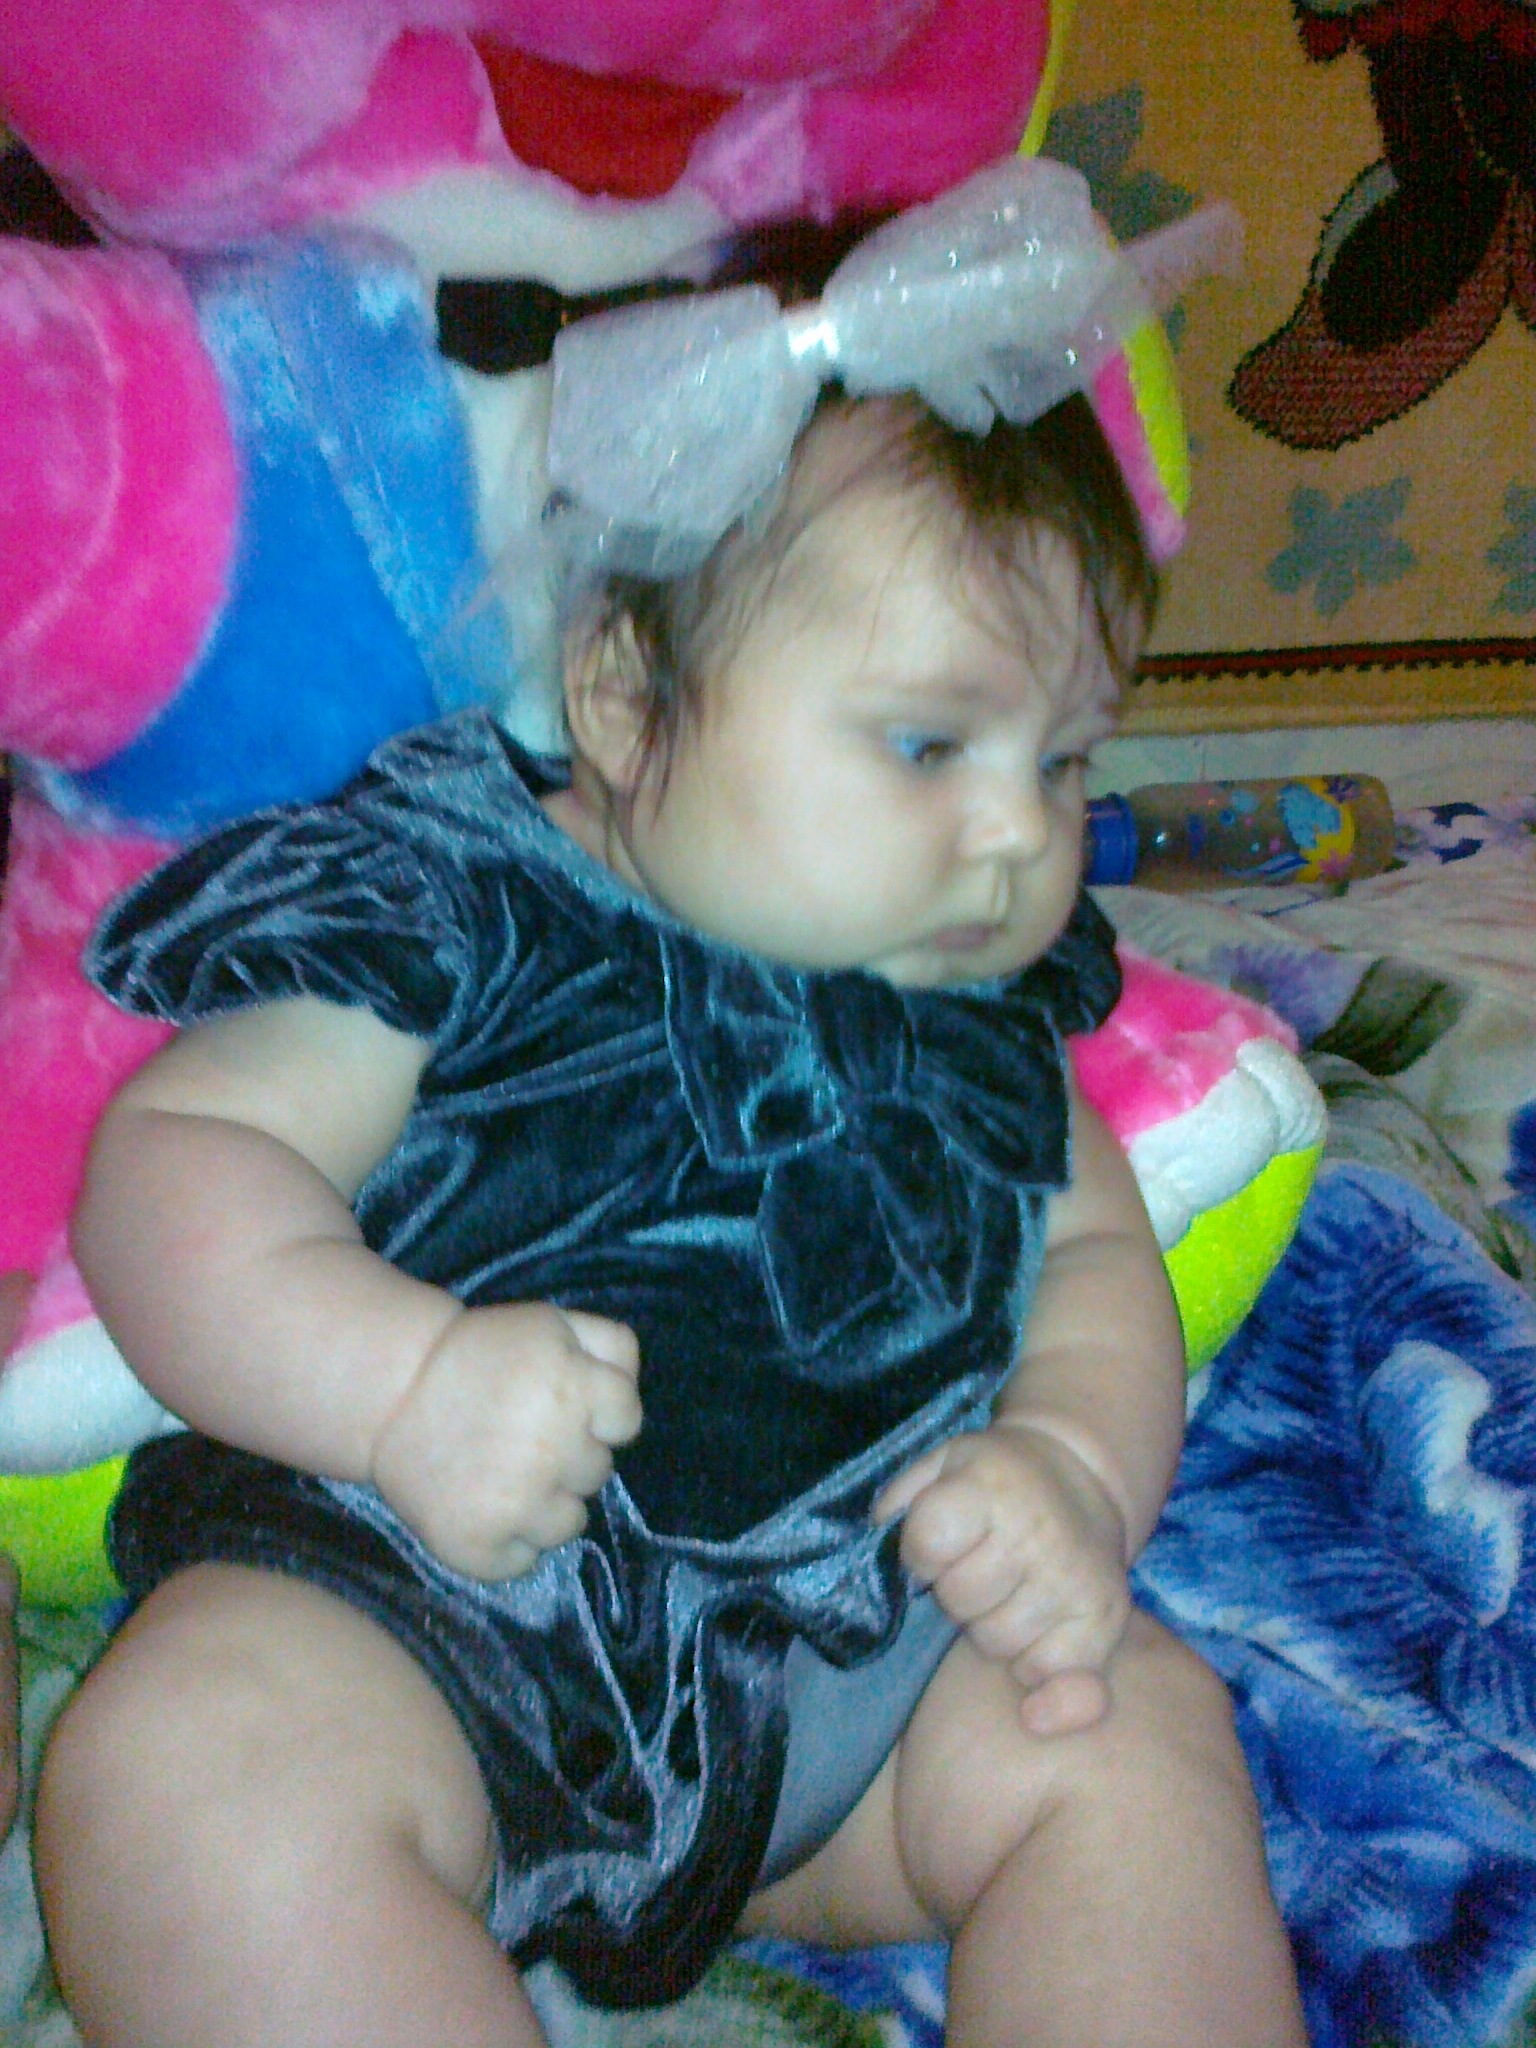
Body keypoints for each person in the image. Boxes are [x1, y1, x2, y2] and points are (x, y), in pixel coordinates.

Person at [37, 167, 1305, 2048]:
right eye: (929, 743)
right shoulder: (461, 893)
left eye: (1062, 760)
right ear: (629, 703)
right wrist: (396, 1387)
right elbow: (180, 1168)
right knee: (178, 1775)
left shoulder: (986, 1009)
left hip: (849, 1680)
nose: (1014, 832)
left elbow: (1099, 1265)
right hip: (422, 1627)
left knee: (1127, 1731)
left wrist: (1069, 1472)